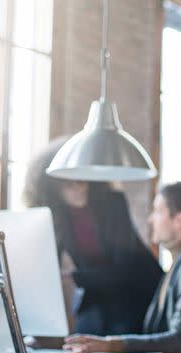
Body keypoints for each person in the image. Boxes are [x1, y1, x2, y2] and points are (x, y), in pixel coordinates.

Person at [24, 137, 163, 336]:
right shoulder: (55, 216)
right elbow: (48, 263)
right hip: (96, 294)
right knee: (80, 342)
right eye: (68, 183)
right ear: (52, 186)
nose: (79, 187)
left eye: (82, 178)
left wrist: (74, 277)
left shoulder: (113, 203)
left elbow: (124, 269)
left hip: (135, 291)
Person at [62, 181, 181, 353]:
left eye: (158, 211)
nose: (151, 219)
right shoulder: (177, 266)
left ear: (179, 220)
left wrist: (112, 345)